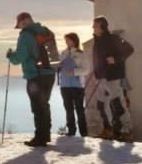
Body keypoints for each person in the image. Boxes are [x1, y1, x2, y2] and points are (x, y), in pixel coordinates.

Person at [7, 12, 56, 147]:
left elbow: (20, 57)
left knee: (37, 107)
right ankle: (45, 135)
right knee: (44, 105)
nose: (20, 27)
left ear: (24, 21)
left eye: (20, 24)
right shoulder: (47, 31)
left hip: (35, 75)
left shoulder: (26, 35)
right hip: (50, 74)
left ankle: (40, 138)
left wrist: (11, 56)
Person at [91, 15, 133, 142]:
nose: (92, 27)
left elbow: (129, 49)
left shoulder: (114, 38)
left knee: (118, 103)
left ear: (102, 27)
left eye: (95, 25)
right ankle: (108, 130)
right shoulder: (97, 42)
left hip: (112, 77)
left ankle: (127, 131)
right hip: (100, 78)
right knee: (102, 105)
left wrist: (115, 59)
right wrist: (96, 74)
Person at [58, 32, 88, 137]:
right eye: (65, 40)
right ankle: (71, 132)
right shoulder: (63, 53)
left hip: (78, 86)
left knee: (80, 109)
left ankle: (84, 132)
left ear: (74, 40)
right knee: (68, 109)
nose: (66, 42)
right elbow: (59, 66)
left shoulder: (81, 54)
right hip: (64, 86)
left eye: (68, 40)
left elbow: (86, 70)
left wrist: (74, 72)